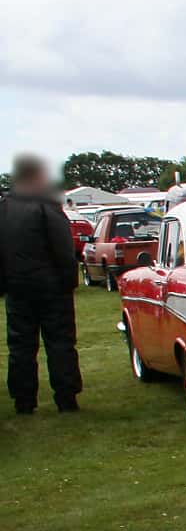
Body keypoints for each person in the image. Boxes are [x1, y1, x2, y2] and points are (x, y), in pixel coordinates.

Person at [2, 154, 82, 414]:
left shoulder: (5, 207)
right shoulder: (46, 205)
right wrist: (69, 280)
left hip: (17, 286)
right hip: (51, 286)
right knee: (60, 342)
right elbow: (63, 247)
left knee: (20, 345)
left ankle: (23, 399)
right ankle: (66, 396)